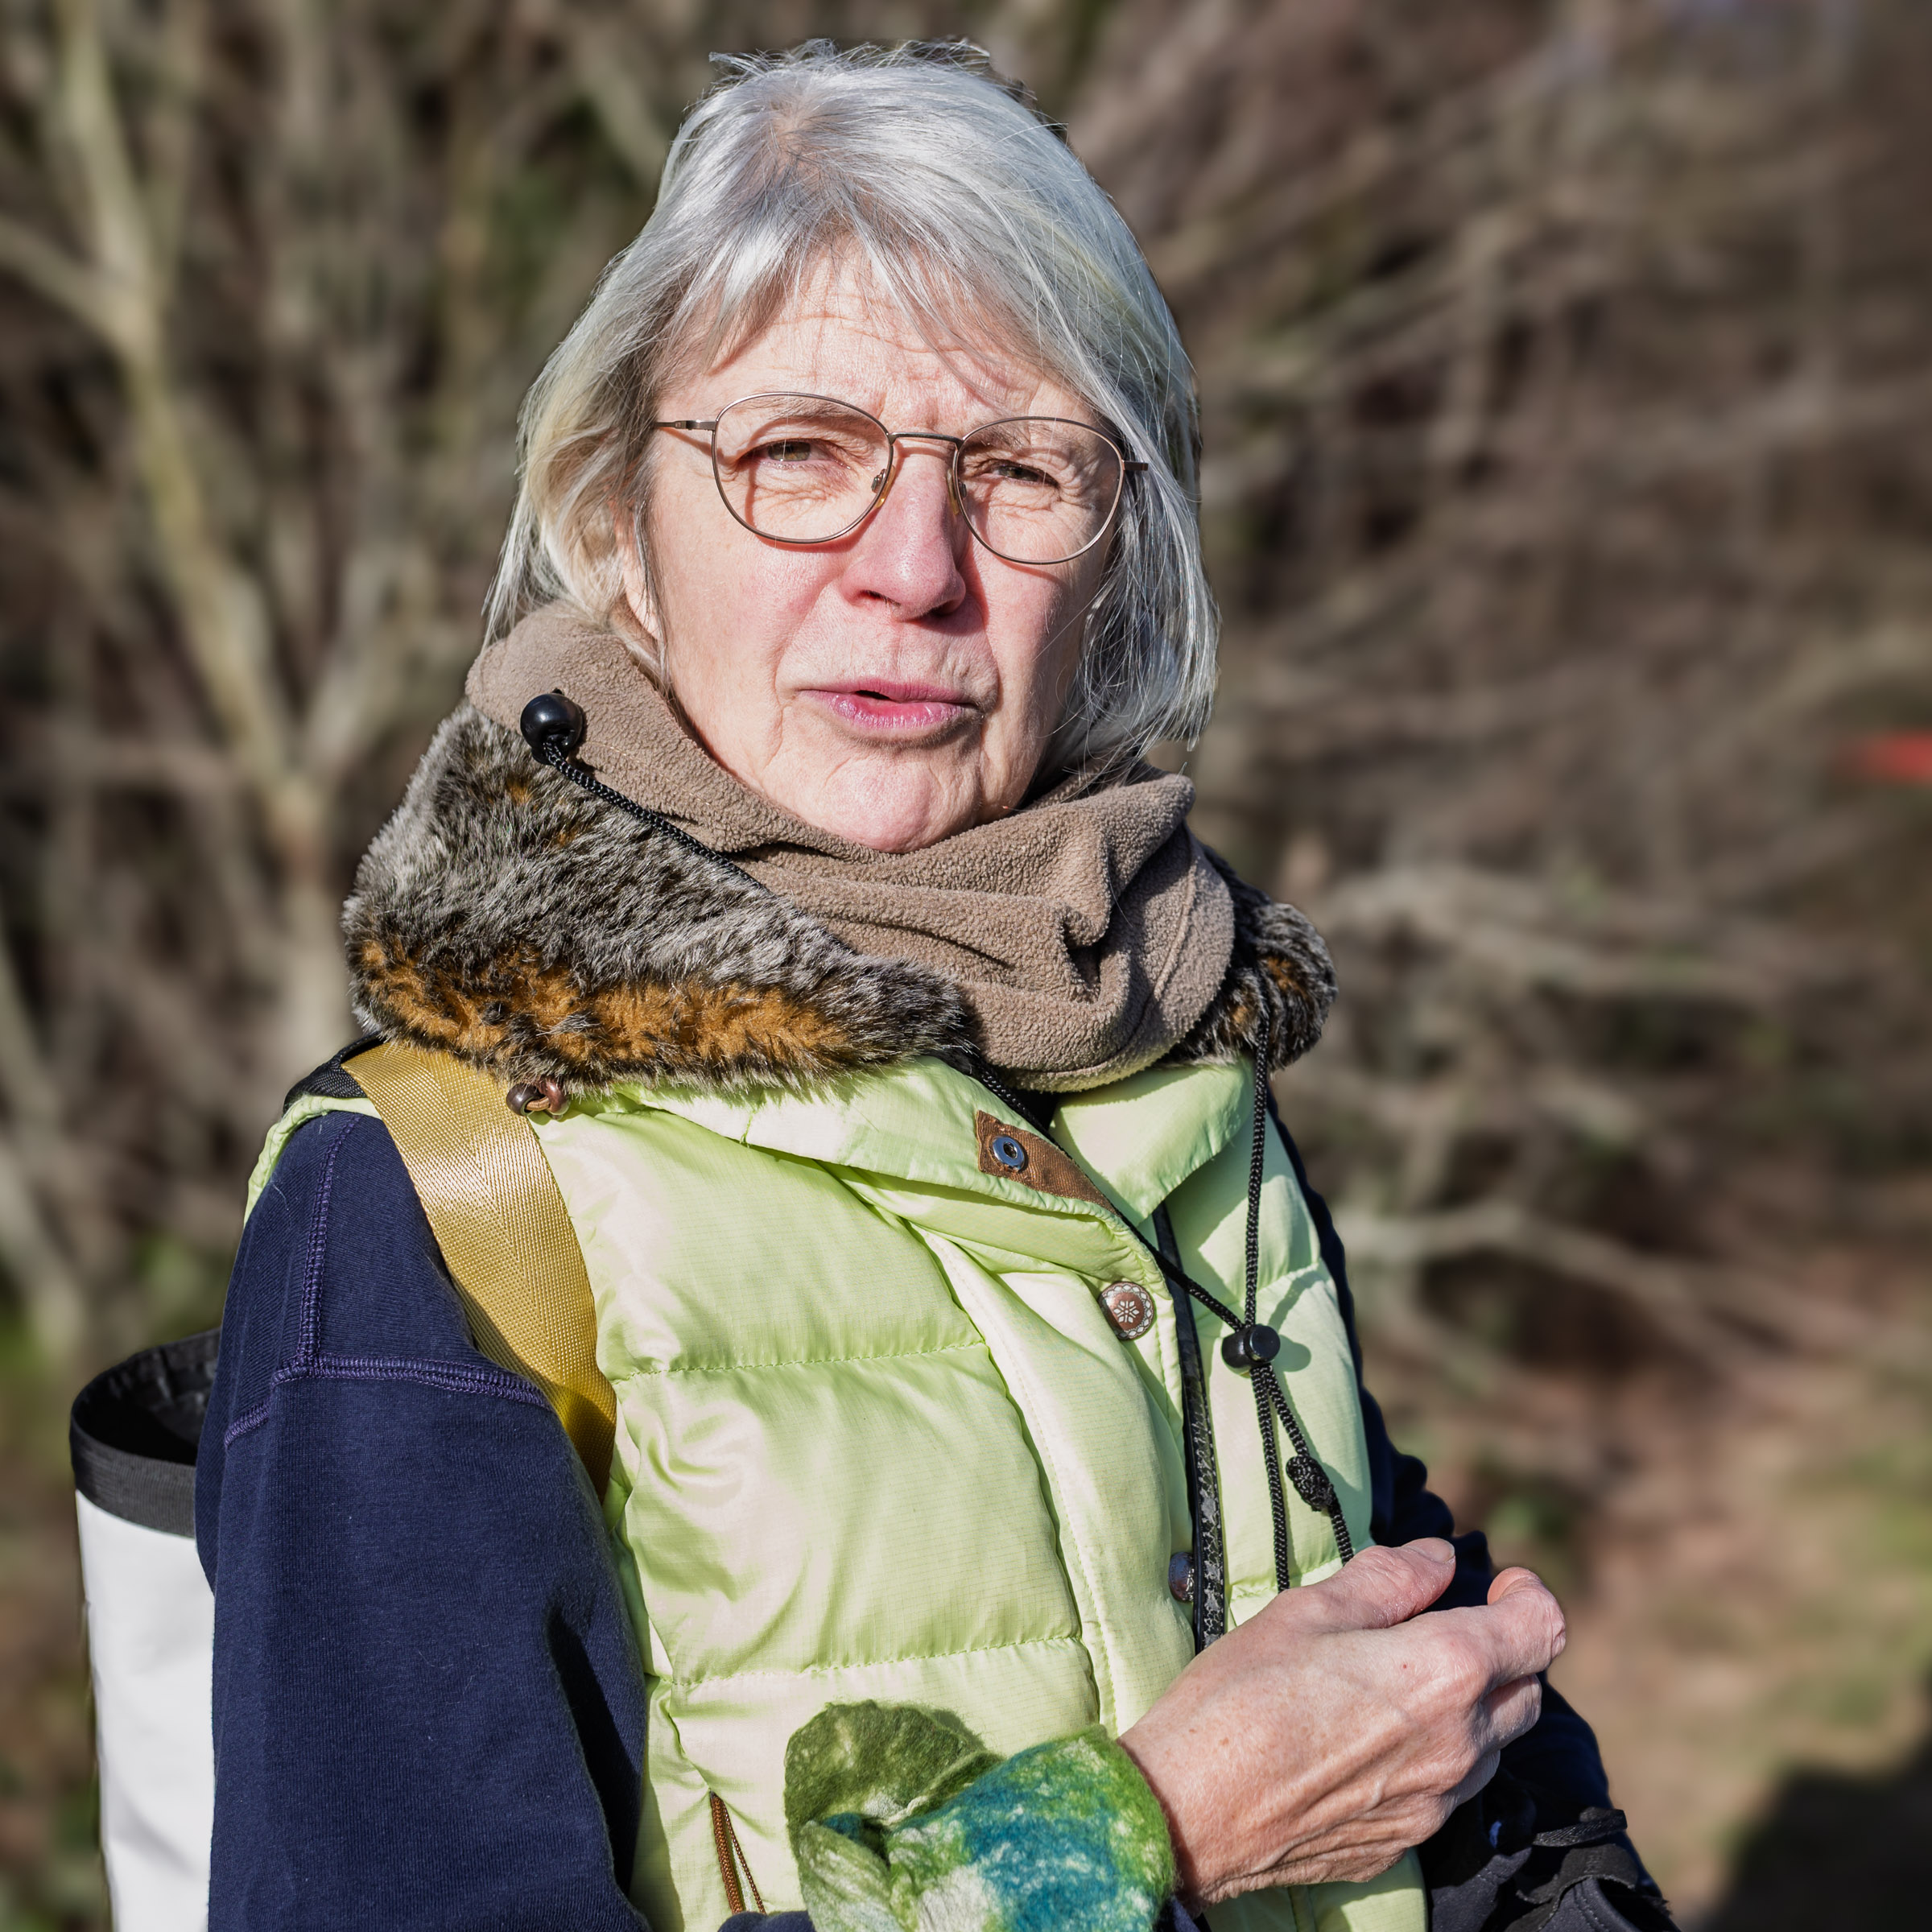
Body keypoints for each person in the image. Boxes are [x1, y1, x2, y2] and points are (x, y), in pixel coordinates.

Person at [196, 41, 1672, 1932]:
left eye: (1019, 470)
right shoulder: (438, 1201)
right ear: (617, 522)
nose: (914, 568)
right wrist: (1136, 1842)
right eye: (797, 454)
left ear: (1115, 552)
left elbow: (1426, 1730)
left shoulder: (1164, 1057)